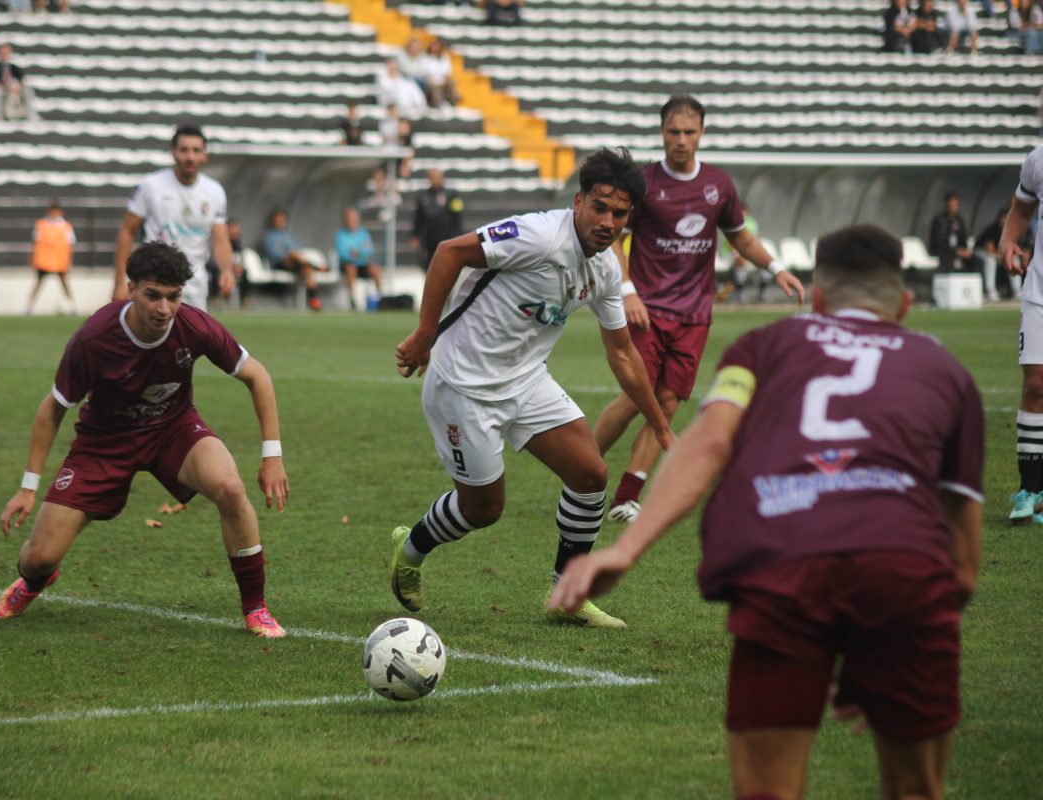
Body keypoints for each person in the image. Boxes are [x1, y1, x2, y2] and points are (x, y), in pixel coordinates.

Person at [550, 223, 984, 800]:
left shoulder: (765, 346)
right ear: (904, 304)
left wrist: (627, 548)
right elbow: (963, 551)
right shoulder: (949, 372)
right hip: (902, 574)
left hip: (784, 566)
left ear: (820, 300)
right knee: (916, 789)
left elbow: (707, 443)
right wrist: (887, 645)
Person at [390, 147, 675, 629]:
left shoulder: (604, 270)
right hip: (463, 384)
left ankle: (568, 593)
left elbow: (624, 354)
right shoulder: (538, 235)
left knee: (589, 473)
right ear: (579, 200)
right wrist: (424, 334)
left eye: (620, 213)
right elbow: (449, 252)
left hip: (525, 380)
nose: (608, 221)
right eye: (600, 207)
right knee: (484, 508)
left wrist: (661, 427)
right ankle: (410, 548)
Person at [0, 242, 290, 638]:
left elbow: (258, 377)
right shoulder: (94, 338)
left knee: (230, 488)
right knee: (38, 557)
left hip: (173, 429)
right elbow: (54, 408)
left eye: (173, 297)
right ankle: (33, 582)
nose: (164, 309)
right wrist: (28, 487)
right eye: (153, 296)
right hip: (103, 443)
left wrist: (272, 456)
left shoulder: (195, 326)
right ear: (130, 288)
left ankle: (256, 608)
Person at [593, 94, 804, 523]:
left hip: (695, 312)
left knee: (668, 400)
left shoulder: (719, 185)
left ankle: (627, 494)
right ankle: (579, 465)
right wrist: (628, 290)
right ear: (662, 132)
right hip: (648, 308)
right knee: (639, 395)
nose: (681, 140)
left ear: (702, 133)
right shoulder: (644, 182)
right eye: (674, 132)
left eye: (689, 132)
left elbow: (740, 237)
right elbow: (615, 236)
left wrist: (776, 268)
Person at [112, 124, 235, 313]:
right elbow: (127, 231)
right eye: (184, 150)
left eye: (196, 150)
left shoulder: (214, 191)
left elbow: (220, 239)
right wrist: (119, 281)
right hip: (154, 280)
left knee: (191, 342)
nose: (190, 157)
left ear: (204, 155)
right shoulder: (151, 185)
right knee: (150, 340)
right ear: (173, 153)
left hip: (194, 281)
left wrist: (226, 270)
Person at [1001, 144, 1043, 524]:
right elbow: (1021, 209)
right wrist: (1007, 239)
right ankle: (1030, 491)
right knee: (1034, 385)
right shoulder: (1038, 158)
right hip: (1040, 293)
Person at [260, 207, 328, 312]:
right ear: (272, 221)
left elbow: (298, 250)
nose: (280, 222)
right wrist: (291, 255)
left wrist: (294, 255)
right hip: (280, 264)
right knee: (294, 257)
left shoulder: (287, 236)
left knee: (306, 270)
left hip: (296, 264)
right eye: (277, 220)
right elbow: (275, 255)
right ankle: (317, 267)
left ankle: (314, 299)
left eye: (282, 220)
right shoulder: (268, 237)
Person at [26, 200, 78, 316]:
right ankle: (29, 308)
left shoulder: (66, 226)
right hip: (44, 261)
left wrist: (70, 261)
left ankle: (73, 307)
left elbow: (70, 244)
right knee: (38, 284)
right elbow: (35, 242)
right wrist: (32, 258)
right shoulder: (41, 224)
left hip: (60, 260)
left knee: (65, 284)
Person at [411, 169, 464, 271]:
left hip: (446, 236)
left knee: (447, 263)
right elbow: (418, 217)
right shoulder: (423, 196)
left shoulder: (452, 195)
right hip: (428, 237)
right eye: (432, 178)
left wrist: (458, 234)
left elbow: (457, 215)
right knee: (429, 264)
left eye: (437, 178)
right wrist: (415, 235)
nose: (435, 180)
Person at [334, 207, 381, 309]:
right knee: (351, 269)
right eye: (349, 219)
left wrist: (357, 252)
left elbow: (369, 249)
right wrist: (360, 251)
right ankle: (352, 300)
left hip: (362, 264)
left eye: (353, 219)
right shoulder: (341, 235)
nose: (352, 221)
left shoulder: (363, 233)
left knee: (375, 270)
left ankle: (380, 297)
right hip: (347, 266)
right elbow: (343, 254)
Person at [974, 208, 1023, 302]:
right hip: (980, 252)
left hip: (998, 254)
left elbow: (1011, 247)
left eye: (1007, 218)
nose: (1004, 221)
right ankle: (990, 290)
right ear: (999, 219)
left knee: (1014, 259)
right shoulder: (993, 229)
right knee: (990, 260)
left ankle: (1017, 290)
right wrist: (1003, 256)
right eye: (1003, 218)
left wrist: (1007, 256)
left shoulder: (1010, 230)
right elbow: (989, 249)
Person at [0, 43, 39, 122]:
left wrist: (17, 87)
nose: (4, 55)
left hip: (14, 88)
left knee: (28, 91)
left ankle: (31, 114)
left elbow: (21, 81)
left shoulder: (14, 68)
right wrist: (7, 87)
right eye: (2, 53)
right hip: (2, 89)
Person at [928, 190, 975, 274]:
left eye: (954, 205)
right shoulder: (939, 220)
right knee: (948, 258)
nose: (952, 208)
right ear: (946, 204)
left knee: (976, 260)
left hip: (957, 250)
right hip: (942, 251)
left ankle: (971, 284)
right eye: (950, 205)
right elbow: (937, 242)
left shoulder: (959, 220)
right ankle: (948, 283)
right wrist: (955, 250)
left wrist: (964, 250)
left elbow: (963, 237)